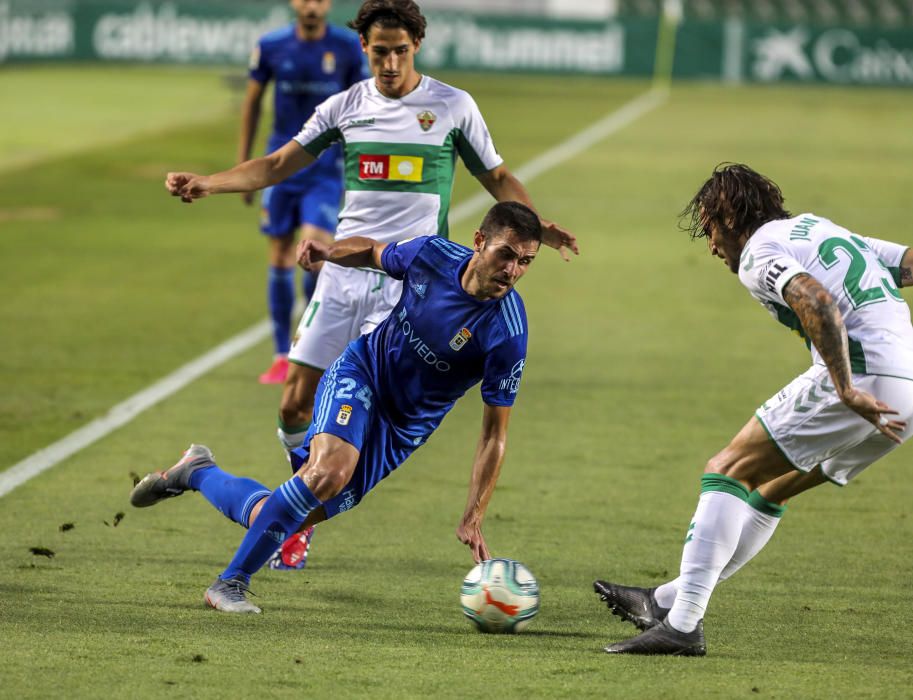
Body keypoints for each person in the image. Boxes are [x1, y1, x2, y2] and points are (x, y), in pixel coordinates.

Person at [130, 202, 542, 614]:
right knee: (328, 472)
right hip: (362, 374)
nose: (513, 270)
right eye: (505, 254)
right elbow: (372, 251)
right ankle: (229, 584)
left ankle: (198, 472)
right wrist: (329, 251)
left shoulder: (506, 332)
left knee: (275, 519)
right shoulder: (432, 255)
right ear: (479, 242)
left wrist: (474, 513)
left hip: (401, 431)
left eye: (525, 261)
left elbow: (494, 434)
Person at [595, 163, 913, 656]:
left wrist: (846, 387)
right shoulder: (818, 228)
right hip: (906, 391)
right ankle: (665, 601)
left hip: (863, 378)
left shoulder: (760, 251)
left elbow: (815, 298)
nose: (711, 245)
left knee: (727, 471)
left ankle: (681, 626)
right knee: (770, 487)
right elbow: (907, 263)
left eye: (709, 228)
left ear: (728, 214)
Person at [239, 0, 367, 385]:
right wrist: (246, 165)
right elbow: (252, 104)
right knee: (279, 253)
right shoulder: (271, 45)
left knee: (316, 253)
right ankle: (281, 355)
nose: (311, 5)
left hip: (325, 169)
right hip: (281, 165)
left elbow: (363, 105)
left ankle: (309, 348)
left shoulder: (347, 47)